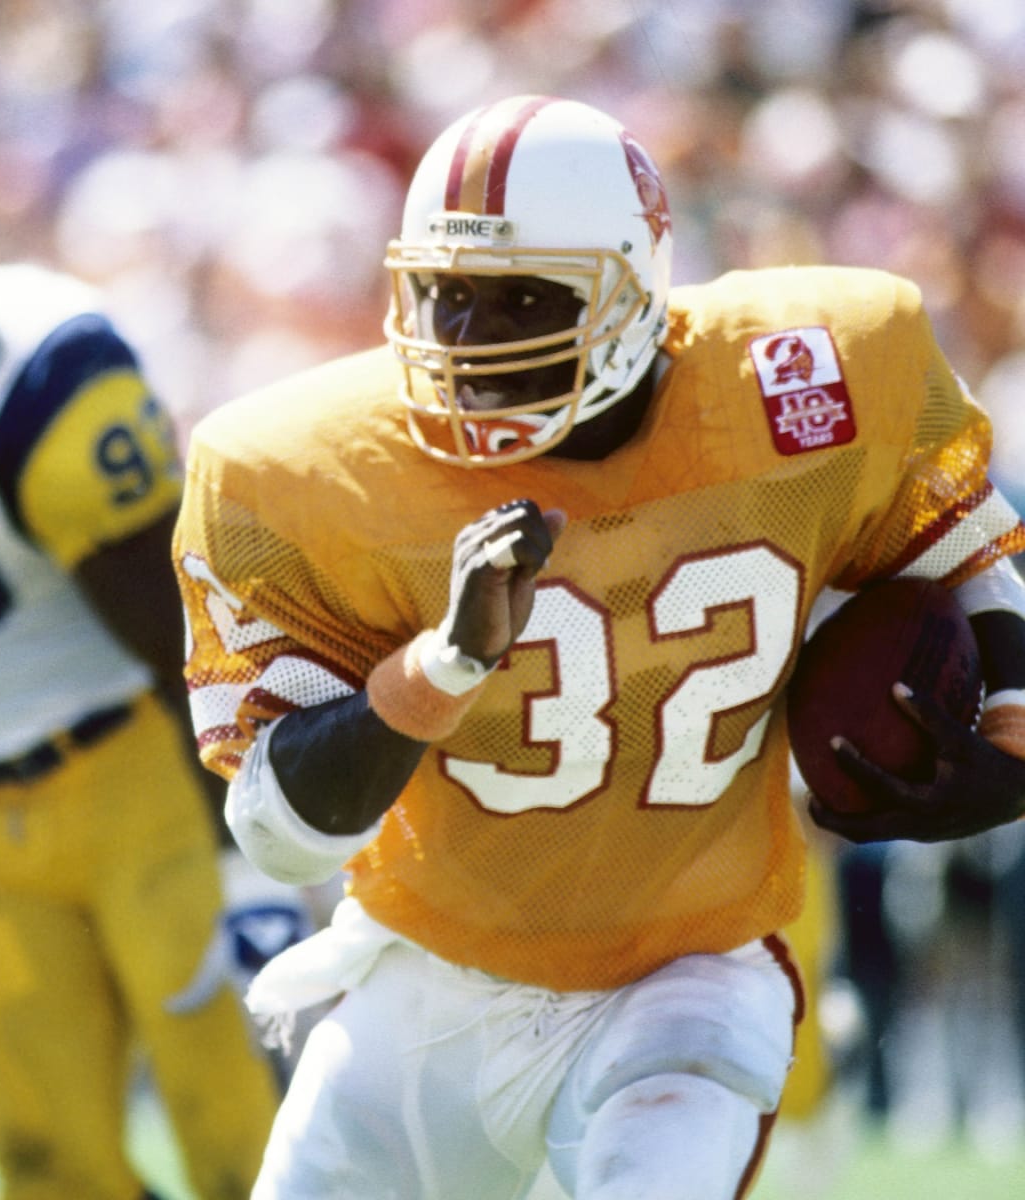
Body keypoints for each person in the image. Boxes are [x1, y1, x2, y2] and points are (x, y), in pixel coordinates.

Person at [173, 94, 1025, 1200]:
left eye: (524, 298)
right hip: (432, 968)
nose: (469, 344)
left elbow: (962, 556)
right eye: (445, 295)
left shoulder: (809, 377)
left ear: (634, 289)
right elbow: (278, 835)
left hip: (690, 968)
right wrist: (444, 666)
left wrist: (1012, 732)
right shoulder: (304, 473)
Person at [0, 103, 280, 1200]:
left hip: (147, 786)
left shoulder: (29, 360)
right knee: (43, 1157)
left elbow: (171, 622)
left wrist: (239, 842)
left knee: (244, 1141)